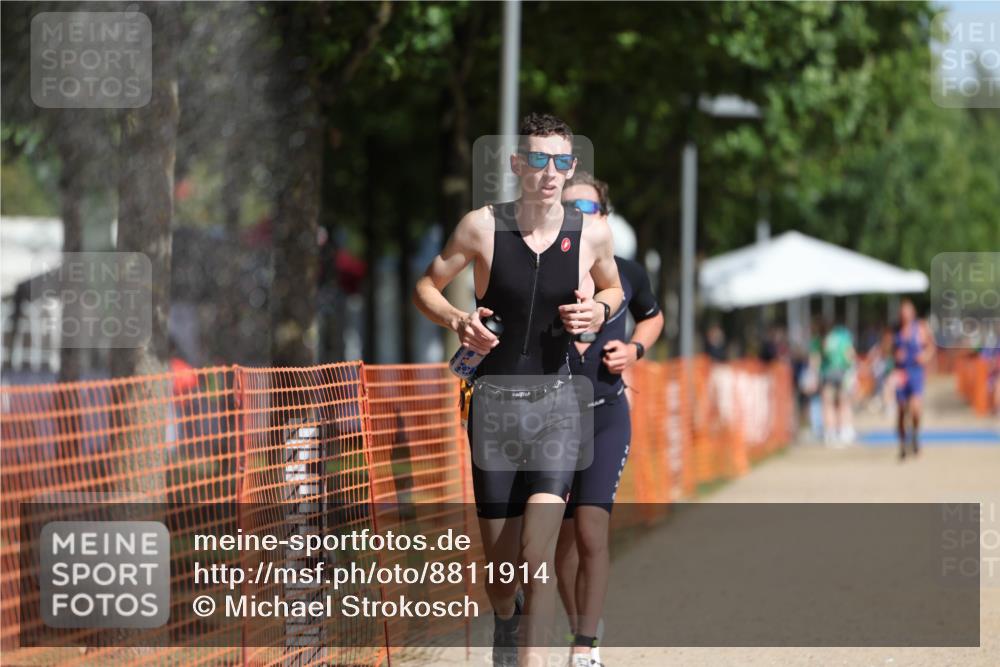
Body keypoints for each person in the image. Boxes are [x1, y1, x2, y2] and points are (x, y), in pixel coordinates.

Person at [412, 113, 623, 667]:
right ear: (515, 165)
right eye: (536, 160)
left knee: (537, 557)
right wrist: (458, 320)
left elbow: (614, 288)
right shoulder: (480, 228)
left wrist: (598, 309)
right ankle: (506, 621)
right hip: (494, 411)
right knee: (503, 574)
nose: (549, 172)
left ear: (572, 165)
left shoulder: (592, 231)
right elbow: (424, 287)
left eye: (560, 161)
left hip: (559, 407)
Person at [555, 173, 664, 667]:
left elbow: (653, 315)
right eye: (570, 208)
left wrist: (634, 348)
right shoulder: (539, 276)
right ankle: (586, 621)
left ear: (606, 217)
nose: (580, 218)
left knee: (591, 532)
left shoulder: (627, 273)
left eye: (590, 209)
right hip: (550, 425)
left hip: (605, 417)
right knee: (559, 551)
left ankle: (585, 647)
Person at [894, 299, 935, 460]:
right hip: (900, 373)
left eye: (907, 311)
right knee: (901, 411)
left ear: (912, 313)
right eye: (903, 311)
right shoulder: (895, 330)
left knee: (916, 409)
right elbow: (886, 349)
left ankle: (916, 436)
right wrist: (894, 356)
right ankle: (903, 444)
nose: (905, 314)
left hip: (916, 372)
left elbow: (931, 347)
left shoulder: (920, 328)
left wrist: (925, 357)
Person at [820, 320, 857, 446]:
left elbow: (823, 354)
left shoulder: (827, 338)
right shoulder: (844, 337)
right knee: (844, 402)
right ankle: (845, 430)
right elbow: (850, 355)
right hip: (842, 372)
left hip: (828, 373)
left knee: (828, 404)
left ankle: (830, 432)